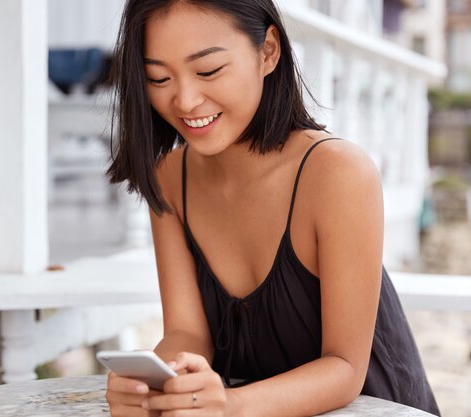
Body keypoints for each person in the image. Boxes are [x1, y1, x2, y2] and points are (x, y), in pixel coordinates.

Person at [105, 0, 440, 416]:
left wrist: (230, 405)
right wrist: (159, 382)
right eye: (158, 77)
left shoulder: (337, 174)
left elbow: (345, 368)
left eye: (208, 71)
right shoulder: (171, 178)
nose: (186, 100)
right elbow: (187, 332)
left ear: (268, 52)